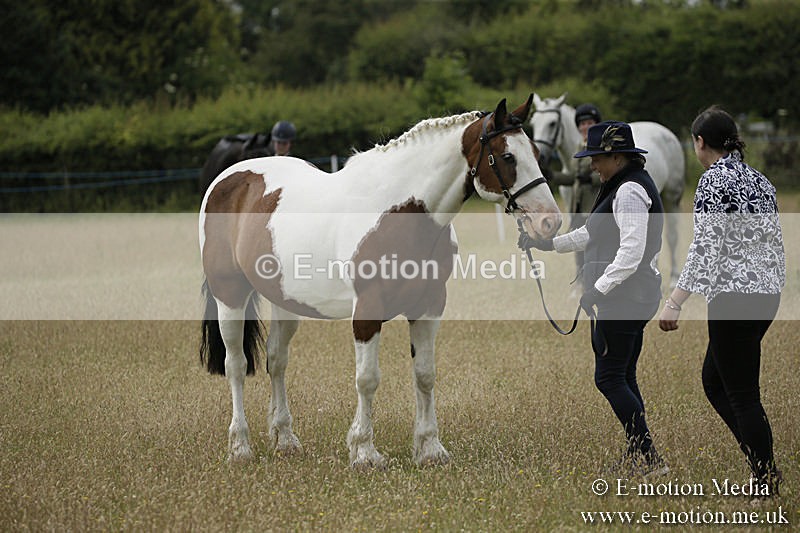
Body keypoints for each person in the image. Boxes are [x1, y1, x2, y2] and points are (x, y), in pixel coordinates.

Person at [521, 121, 668, 476]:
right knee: (624, 374)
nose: (592, 166)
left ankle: (650, 459)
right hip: (632, 295)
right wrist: (547, 245)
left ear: (617, 157)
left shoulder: (630, 191)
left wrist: (600, 288)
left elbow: (631, 251)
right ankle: (639, 454)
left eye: (597, 158)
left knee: (609, 378)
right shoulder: (619, 184)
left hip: (625, 297)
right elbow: (590, 233)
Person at [659, 106, 785, 495]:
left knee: (741, 394)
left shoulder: (714, 181)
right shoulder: (760, 180)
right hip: (767, 294)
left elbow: (705, 247)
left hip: (735, 297)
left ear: (700, 142)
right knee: (714, 380)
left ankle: (765, 477)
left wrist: (675, 300)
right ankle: (762, 461)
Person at [199, 120, 297, 195]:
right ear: (274, 142)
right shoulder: (267, 161)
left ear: (290, 143)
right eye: (278, 142)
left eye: (284, 143)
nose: (280, 146)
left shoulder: (295, 164)